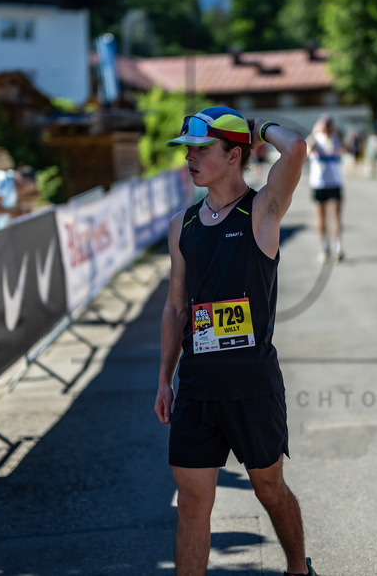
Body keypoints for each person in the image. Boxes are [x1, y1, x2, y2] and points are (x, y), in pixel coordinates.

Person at [154, 106, 316, 576]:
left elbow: (297, 147)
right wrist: (165, 379)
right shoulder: (181, 227)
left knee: (269, 488)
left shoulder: (262, 210)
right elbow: (175, 307)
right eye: (188, 150)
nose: (191, 158)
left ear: (233, 154)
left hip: (252, 386)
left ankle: (296, 569)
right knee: (191, 504)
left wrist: (258, 125)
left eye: (202, 149)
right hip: (198, 388)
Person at [306, 114, 345, 263]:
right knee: (320, 217)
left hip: (335, 183)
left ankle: (337, 248)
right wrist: (314, 135)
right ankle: (323, 248)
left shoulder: (336, 138)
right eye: (325, 124)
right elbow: (307, 153)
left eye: (330, 124)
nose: (328, 127)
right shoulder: (315, 138)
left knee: (336, 216)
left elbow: (345, 149)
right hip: (319, 183)